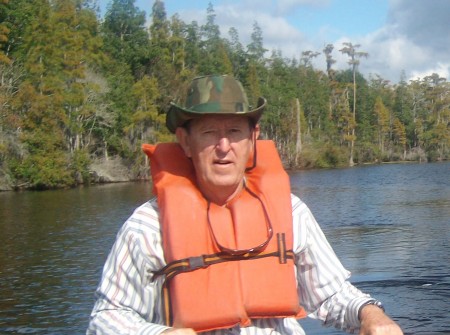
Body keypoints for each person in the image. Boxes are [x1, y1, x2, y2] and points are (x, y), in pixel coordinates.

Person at [87, 75, 403, 335]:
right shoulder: (146, 227)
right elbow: (105, 318)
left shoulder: (292, 213)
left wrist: (370, 313)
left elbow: (333, 294)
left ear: (253, 139)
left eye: (234, 132)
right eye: (209, 132)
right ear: (185, 141)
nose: (223, 147)